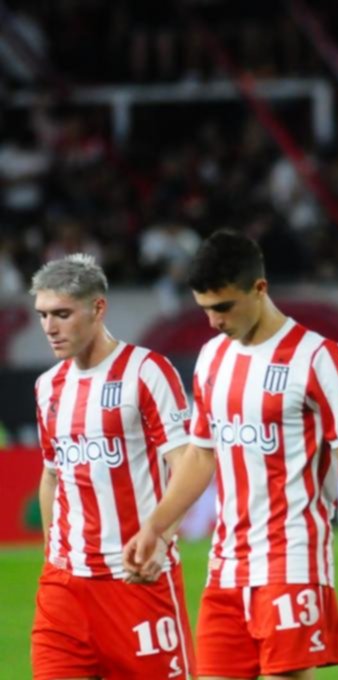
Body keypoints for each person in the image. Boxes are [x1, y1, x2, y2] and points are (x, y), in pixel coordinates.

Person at [123, 230, 338, 679]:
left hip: (294, 563)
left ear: (259, 289)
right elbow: (201, 456)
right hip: (225, 566)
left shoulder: (318, 357)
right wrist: (156, 525)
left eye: (224, 307)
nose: (213, 322)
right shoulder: (211, 358)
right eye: (205, 309)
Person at [29, 253, 196, 679]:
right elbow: (52, 475)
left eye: (62, 314)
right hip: (64, 590)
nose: (50, 327)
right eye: (44, 315)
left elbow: (189, 462)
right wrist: (54, 554)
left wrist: (159, 535)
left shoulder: (146, 372)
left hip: (135, 582)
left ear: (98, 308)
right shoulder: (48, 387)